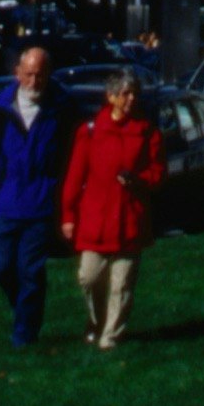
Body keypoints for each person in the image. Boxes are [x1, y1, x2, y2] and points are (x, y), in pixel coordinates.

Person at [61, 68, 167, 351]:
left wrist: (139, 179)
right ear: (111, 97)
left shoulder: (146, 133)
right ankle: (96, 321)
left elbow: (158, 174)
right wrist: (68, 216)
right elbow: (75, 177)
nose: (131, 99)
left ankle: (111, 337)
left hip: (130, 220)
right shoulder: (91, 132)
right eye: (125, 94)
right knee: (89, 276)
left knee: (122, 285)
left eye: (134, 93)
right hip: (96, 220)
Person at [0, 44, 70, 349]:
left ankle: (24, 335)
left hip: (40, 202)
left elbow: (65, 155)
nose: (34, 83)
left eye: (40, 75)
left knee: (30, 270)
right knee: (3, 266)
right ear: (17, 74)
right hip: (7, 201)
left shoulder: (60, 108)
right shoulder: (1, 107)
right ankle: (24, 311)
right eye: (29, 75)